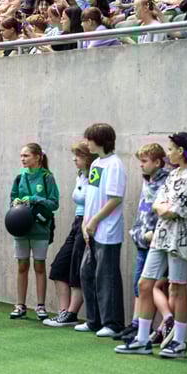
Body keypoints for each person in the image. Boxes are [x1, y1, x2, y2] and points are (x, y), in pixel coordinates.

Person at [116, 133, 187, 358]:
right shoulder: (172, 175)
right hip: (161, 237)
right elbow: (158, 204)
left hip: (181, 240)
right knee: (145, 284)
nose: (168, 153)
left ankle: (179, 342)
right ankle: (142, 340)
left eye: (172, 149)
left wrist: (164, 208)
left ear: (181, 152)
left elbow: (175, 210)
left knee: (177, 287)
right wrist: (164, 208)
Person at [111, 143, 169, 341]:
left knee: (149, 286)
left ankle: (149, 327)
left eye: (144, 161)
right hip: (141, 240)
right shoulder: (147, 180)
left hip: (155, 242)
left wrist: (153, 233)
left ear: (158, 162)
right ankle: (137, 324)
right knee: (139, 285)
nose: (141, 165)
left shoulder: (166, 181)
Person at [78, 123, 126, 337]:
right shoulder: (97, 163)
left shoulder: (115, 165)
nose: (87, 143)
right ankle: (94, 320)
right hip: (91, 229)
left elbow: (115, 198)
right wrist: (85, 222)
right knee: (87, 273)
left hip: (107, 230)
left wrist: (95, 221)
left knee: (106, 276)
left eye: (90, 139)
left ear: (100, 140)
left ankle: (113, 323)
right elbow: (92, 193)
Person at [45, 142, 95, 327]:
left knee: (76, 271)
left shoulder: (94, 177)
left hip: (87, 222)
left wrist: (87, 225)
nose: (74, 159)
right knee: (59, 267)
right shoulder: (80, 176)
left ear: (88, 157)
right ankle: (64, 312)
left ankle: (72, 314)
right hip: (77, 222)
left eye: (79, 156)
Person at [8, 143, 60, 321]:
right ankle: (20, 305)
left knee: (39, 266)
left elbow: (54, 203)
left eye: (26, 156)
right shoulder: (19, 177)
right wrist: (16, 204)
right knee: (22, 266)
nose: (22, 159)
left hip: (40, 229)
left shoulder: (47, 177)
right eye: (21, 156)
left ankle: (40, 306)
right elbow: (12, 198)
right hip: (21, 229)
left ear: (38, 157)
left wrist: (34, 199)